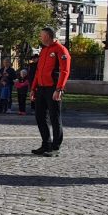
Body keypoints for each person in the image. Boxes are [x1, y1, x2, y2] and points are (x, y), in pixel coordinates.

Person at [30, 27, 71, 157]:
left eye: (41, 35)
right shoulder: (43, 50)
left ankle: (55, 147)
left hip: (53, 88)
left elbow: (65, 71)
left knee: (54, 118)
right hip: (41, 88)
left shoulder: (60, 50)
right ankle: (46, 143)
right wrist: (33, 88)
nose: (40, 37)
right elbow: (38, 71)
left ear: (48, 36)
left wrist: (59, 89)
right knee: (40, 117)